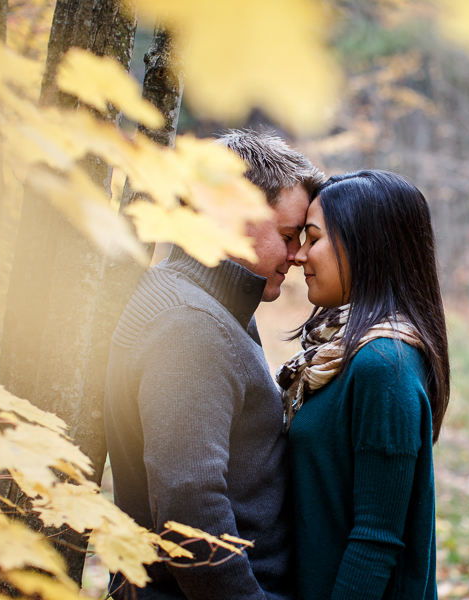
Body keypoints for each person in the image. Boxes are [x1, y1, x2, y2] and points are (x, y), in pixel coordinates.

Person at [104, 130, 323, 600]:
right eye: (287, 236)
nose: (296, 255)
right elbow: (190, 506)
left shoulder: (198, 301)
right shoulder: (190, 325)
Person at [276, 170, 450, 600]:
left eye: (313, 239)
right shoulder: (341, 354)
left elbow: (376, 541)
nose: (299, 257)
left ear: (364, 248)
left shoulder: (383, 366)